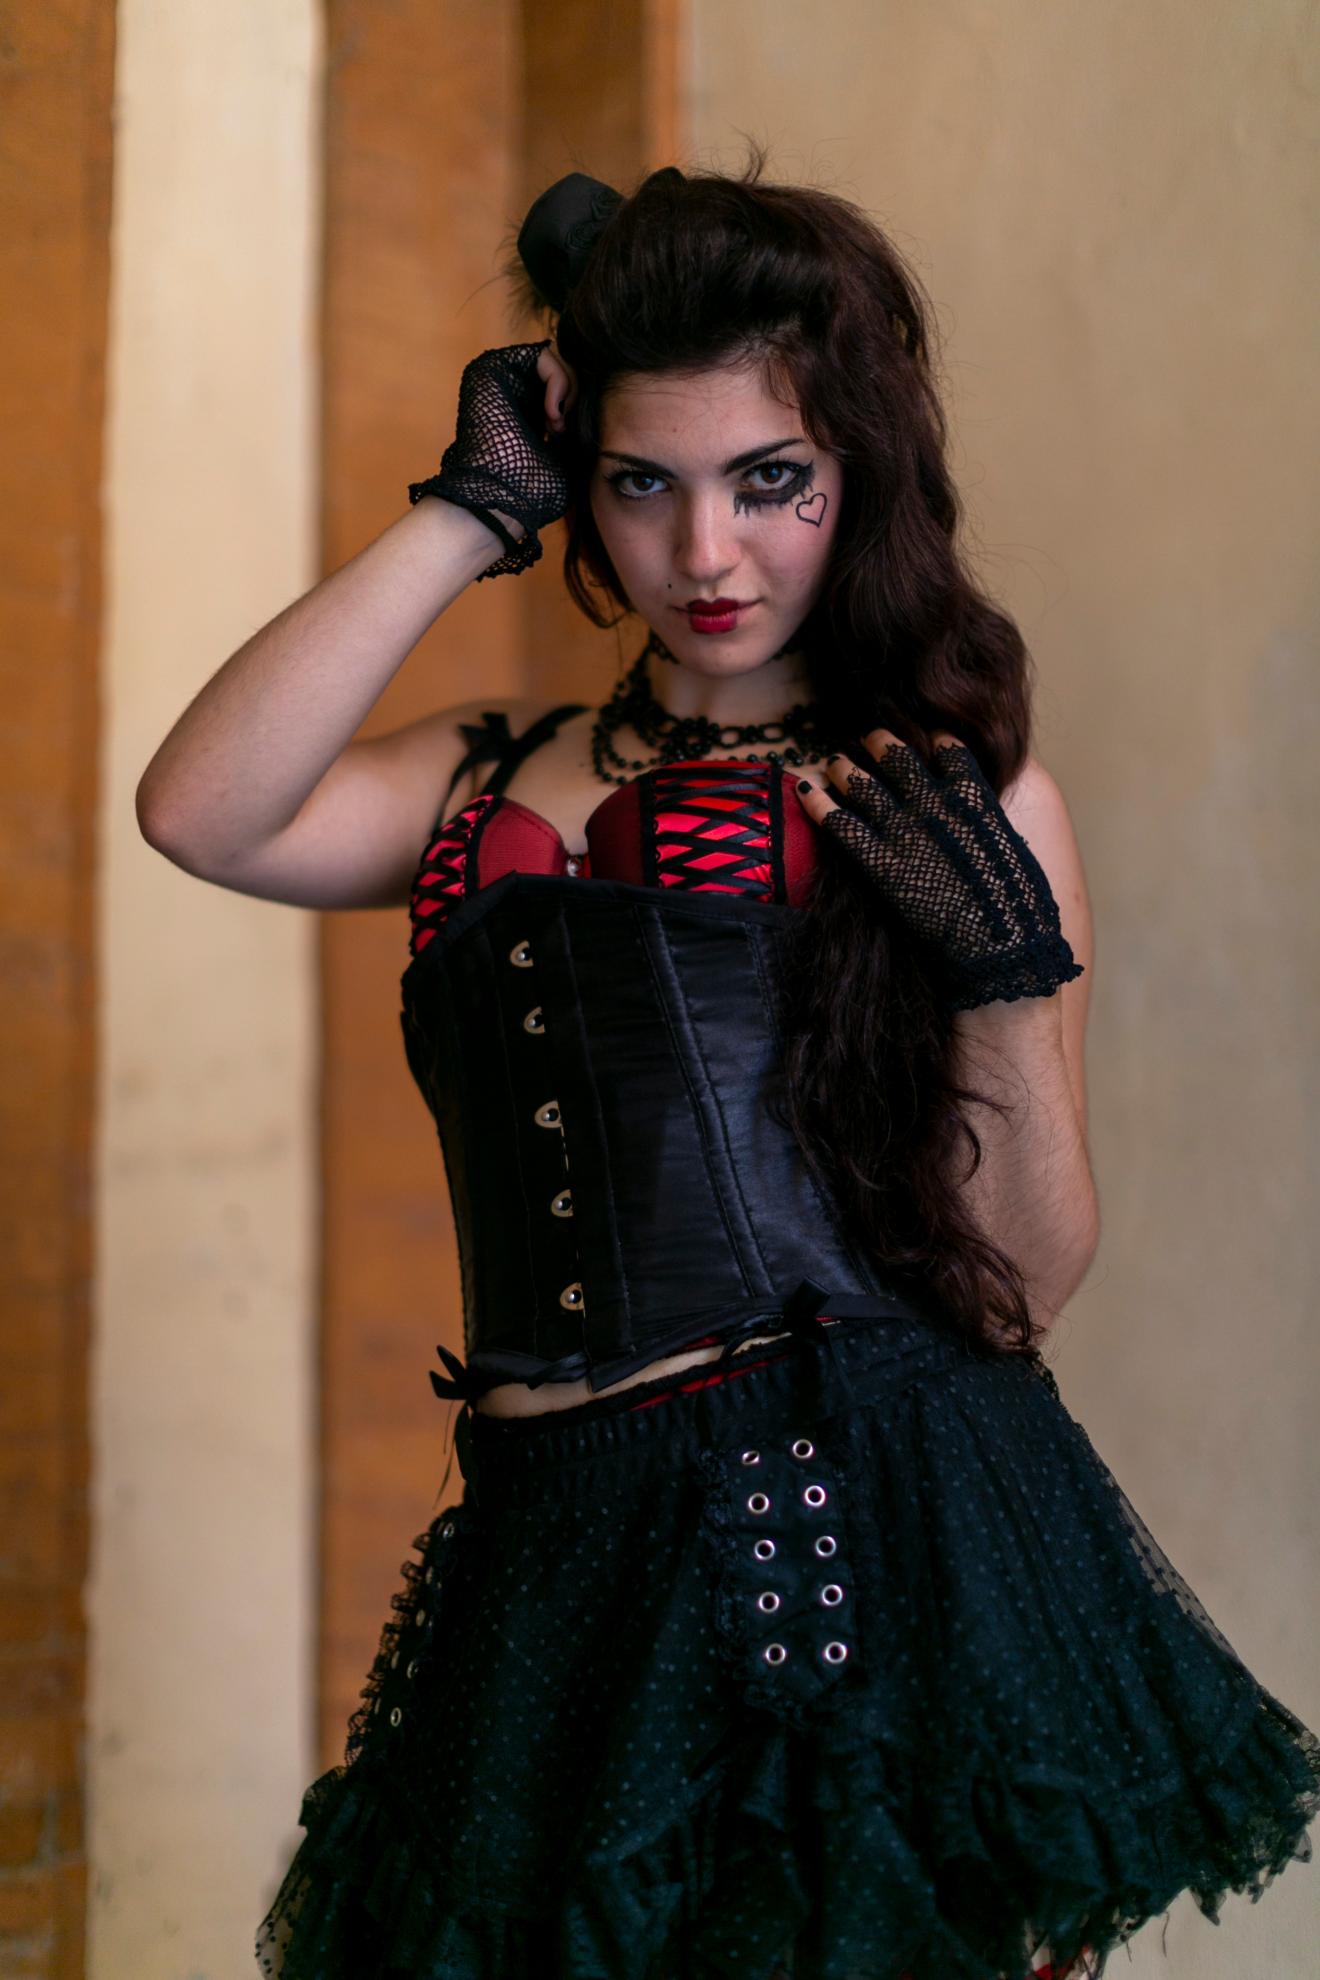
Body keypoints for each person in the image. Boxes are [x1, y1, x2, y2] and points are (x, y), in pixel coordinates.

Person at [138, 149, 1318, 1980]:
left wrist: (1009, 985)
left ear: (858, 475)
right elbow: (200, 811)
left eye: (772, 481)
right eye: (643, 483)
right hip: (551, 1559)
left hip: (850, 1519)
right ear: (578, 482)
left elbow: (1021, 1281)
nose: (705, 555)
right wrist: (465, 511)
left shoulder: (944, 794)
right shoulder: (484, 766)